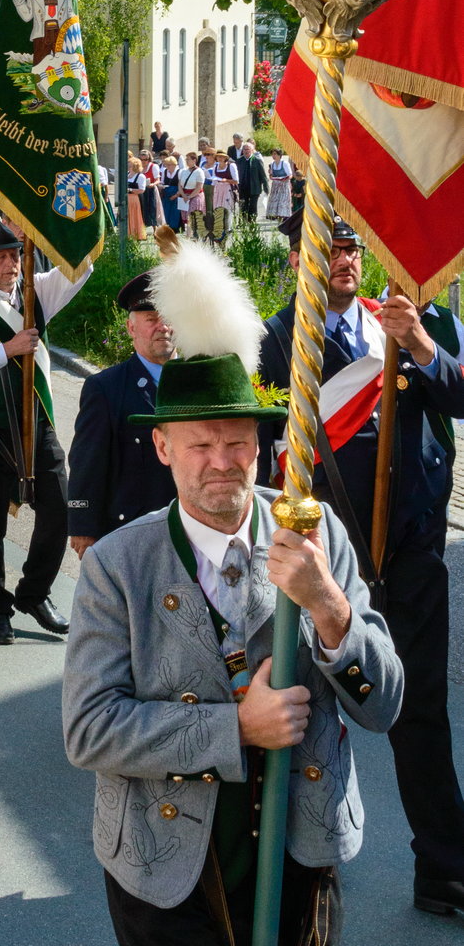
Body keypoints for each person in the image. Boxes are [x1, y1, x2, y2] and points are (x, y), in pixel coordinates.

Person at [63, 242, 404, 946]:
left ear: (262, 442)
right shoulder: (118, 567)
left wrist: (328, 607)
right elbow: (89, 730)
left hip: (299, 851)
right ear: (163, 449)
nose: (221, 463)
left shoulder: (315, 533)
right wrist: (234, 730)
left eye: (238, 442)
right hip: (163, 872)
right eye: (199, 445)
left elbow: (387, 704)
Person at [258, 211, 464, 916]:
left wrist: (419, 343)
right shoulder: (273, 339)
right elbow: (262, 451)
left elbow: (459, 393)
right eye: (330, 248)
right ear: (298, 260)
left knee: (422, 711)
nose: (343, 260)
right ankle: (301, 872)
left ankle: (444, 869)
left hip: (410, 555)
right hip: (326, 564)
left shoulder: (401, 321)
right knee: (311, 714)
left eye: (352, 249)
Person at [0, 220, 90, 644]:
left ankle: (34, 592)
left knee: (60, 505)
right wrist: (8, 350)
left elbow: (81, 266)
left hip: (36, 423)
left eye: (16, 254)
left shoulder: (36, 291)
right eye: (2, 256)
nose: (11, 263)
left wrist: (56, 227)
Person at [67, 271, 177, 553]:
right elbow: (86, 463)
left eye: (168, 319)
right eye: (151, 320)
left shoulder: (199, 381)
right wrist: (82, 525)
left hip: (189, 527)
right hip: (133, 531)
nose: (162, 327)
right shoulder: (105, 388)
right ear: (131, 328)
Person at [209, 150, 239, 245]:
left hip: (227, 189)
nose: (220, 158)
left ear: (225, 158)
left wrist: (226, 180)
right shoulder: (215, 167)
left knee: (227, 209)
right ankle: (220, 230)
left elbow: (236, 181)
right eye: (218, 157)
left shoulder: (231, 166)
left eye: (222, 157)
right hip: (218, 190)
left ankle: (227, 229)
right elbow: (214, 180)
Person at [234, 140, 269, 222]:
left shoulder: (257, 161)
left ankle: (252, 222)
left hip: (254, 188)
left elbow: (263, 175)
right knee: (243, 206)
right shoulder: (239, 161)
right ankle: (244, 222)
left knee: (253, 207)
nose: (246, 151)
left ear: (252, 150)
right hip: (243, 188)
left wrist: (266, 188)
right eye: (245, 149)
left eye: (248, 149)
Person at [176, 151, 207, 240]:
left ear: (194, 160)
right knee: (186, 216)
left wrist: (189, 197)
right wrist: (183, 194)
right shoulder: (184, 171)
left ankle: (192, 234)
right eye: (186, 159)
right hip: (185, 195)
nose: (186, 161)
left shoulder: (199, 172)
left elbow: (199, 187)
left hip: (195, 195)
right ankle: (189, 234)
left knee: (192, 215)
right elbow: (180, 184)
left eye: (188, 159)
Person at [265, 149, 294, 219]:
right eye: (272, 154)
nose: (273, 156)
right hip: (276, 186)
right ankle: (274, 215)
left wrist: (285, 179)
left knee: (283, 201)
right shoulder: (272, 164)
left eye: (275, 154)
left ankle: (283, 215)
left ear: (279, 155)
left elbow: (290, 175)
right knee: (274, 200)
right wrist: (270, 174)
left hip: (284, 185)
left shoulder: (284, 163)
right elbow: (271, 176)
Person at [125, 157, 148, 240]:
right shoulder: (127, 174)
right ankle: (127, 233)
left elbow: (142, 190)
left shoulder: (141, 176)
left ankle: (136, 234)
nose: (128, 166)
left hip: (134, 199)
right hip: (126, 198)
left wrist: (130, 189)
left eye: (130, 165)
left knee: (135, 215)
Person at [159, 153, 182, 230]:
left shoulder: (180, 172)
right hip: (166, 195)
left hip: (176, 195)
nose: (167, 167)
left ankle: (175, 228)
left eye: (169, 165)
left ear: (174, 164)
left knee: (175, 212)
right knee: (166, 211)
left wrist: (175, 195)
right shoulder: (165, 171)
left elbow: (181, 186)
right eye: (166, 165)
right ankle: (166, 227)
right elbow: (162, 182)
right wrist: (161, 186)